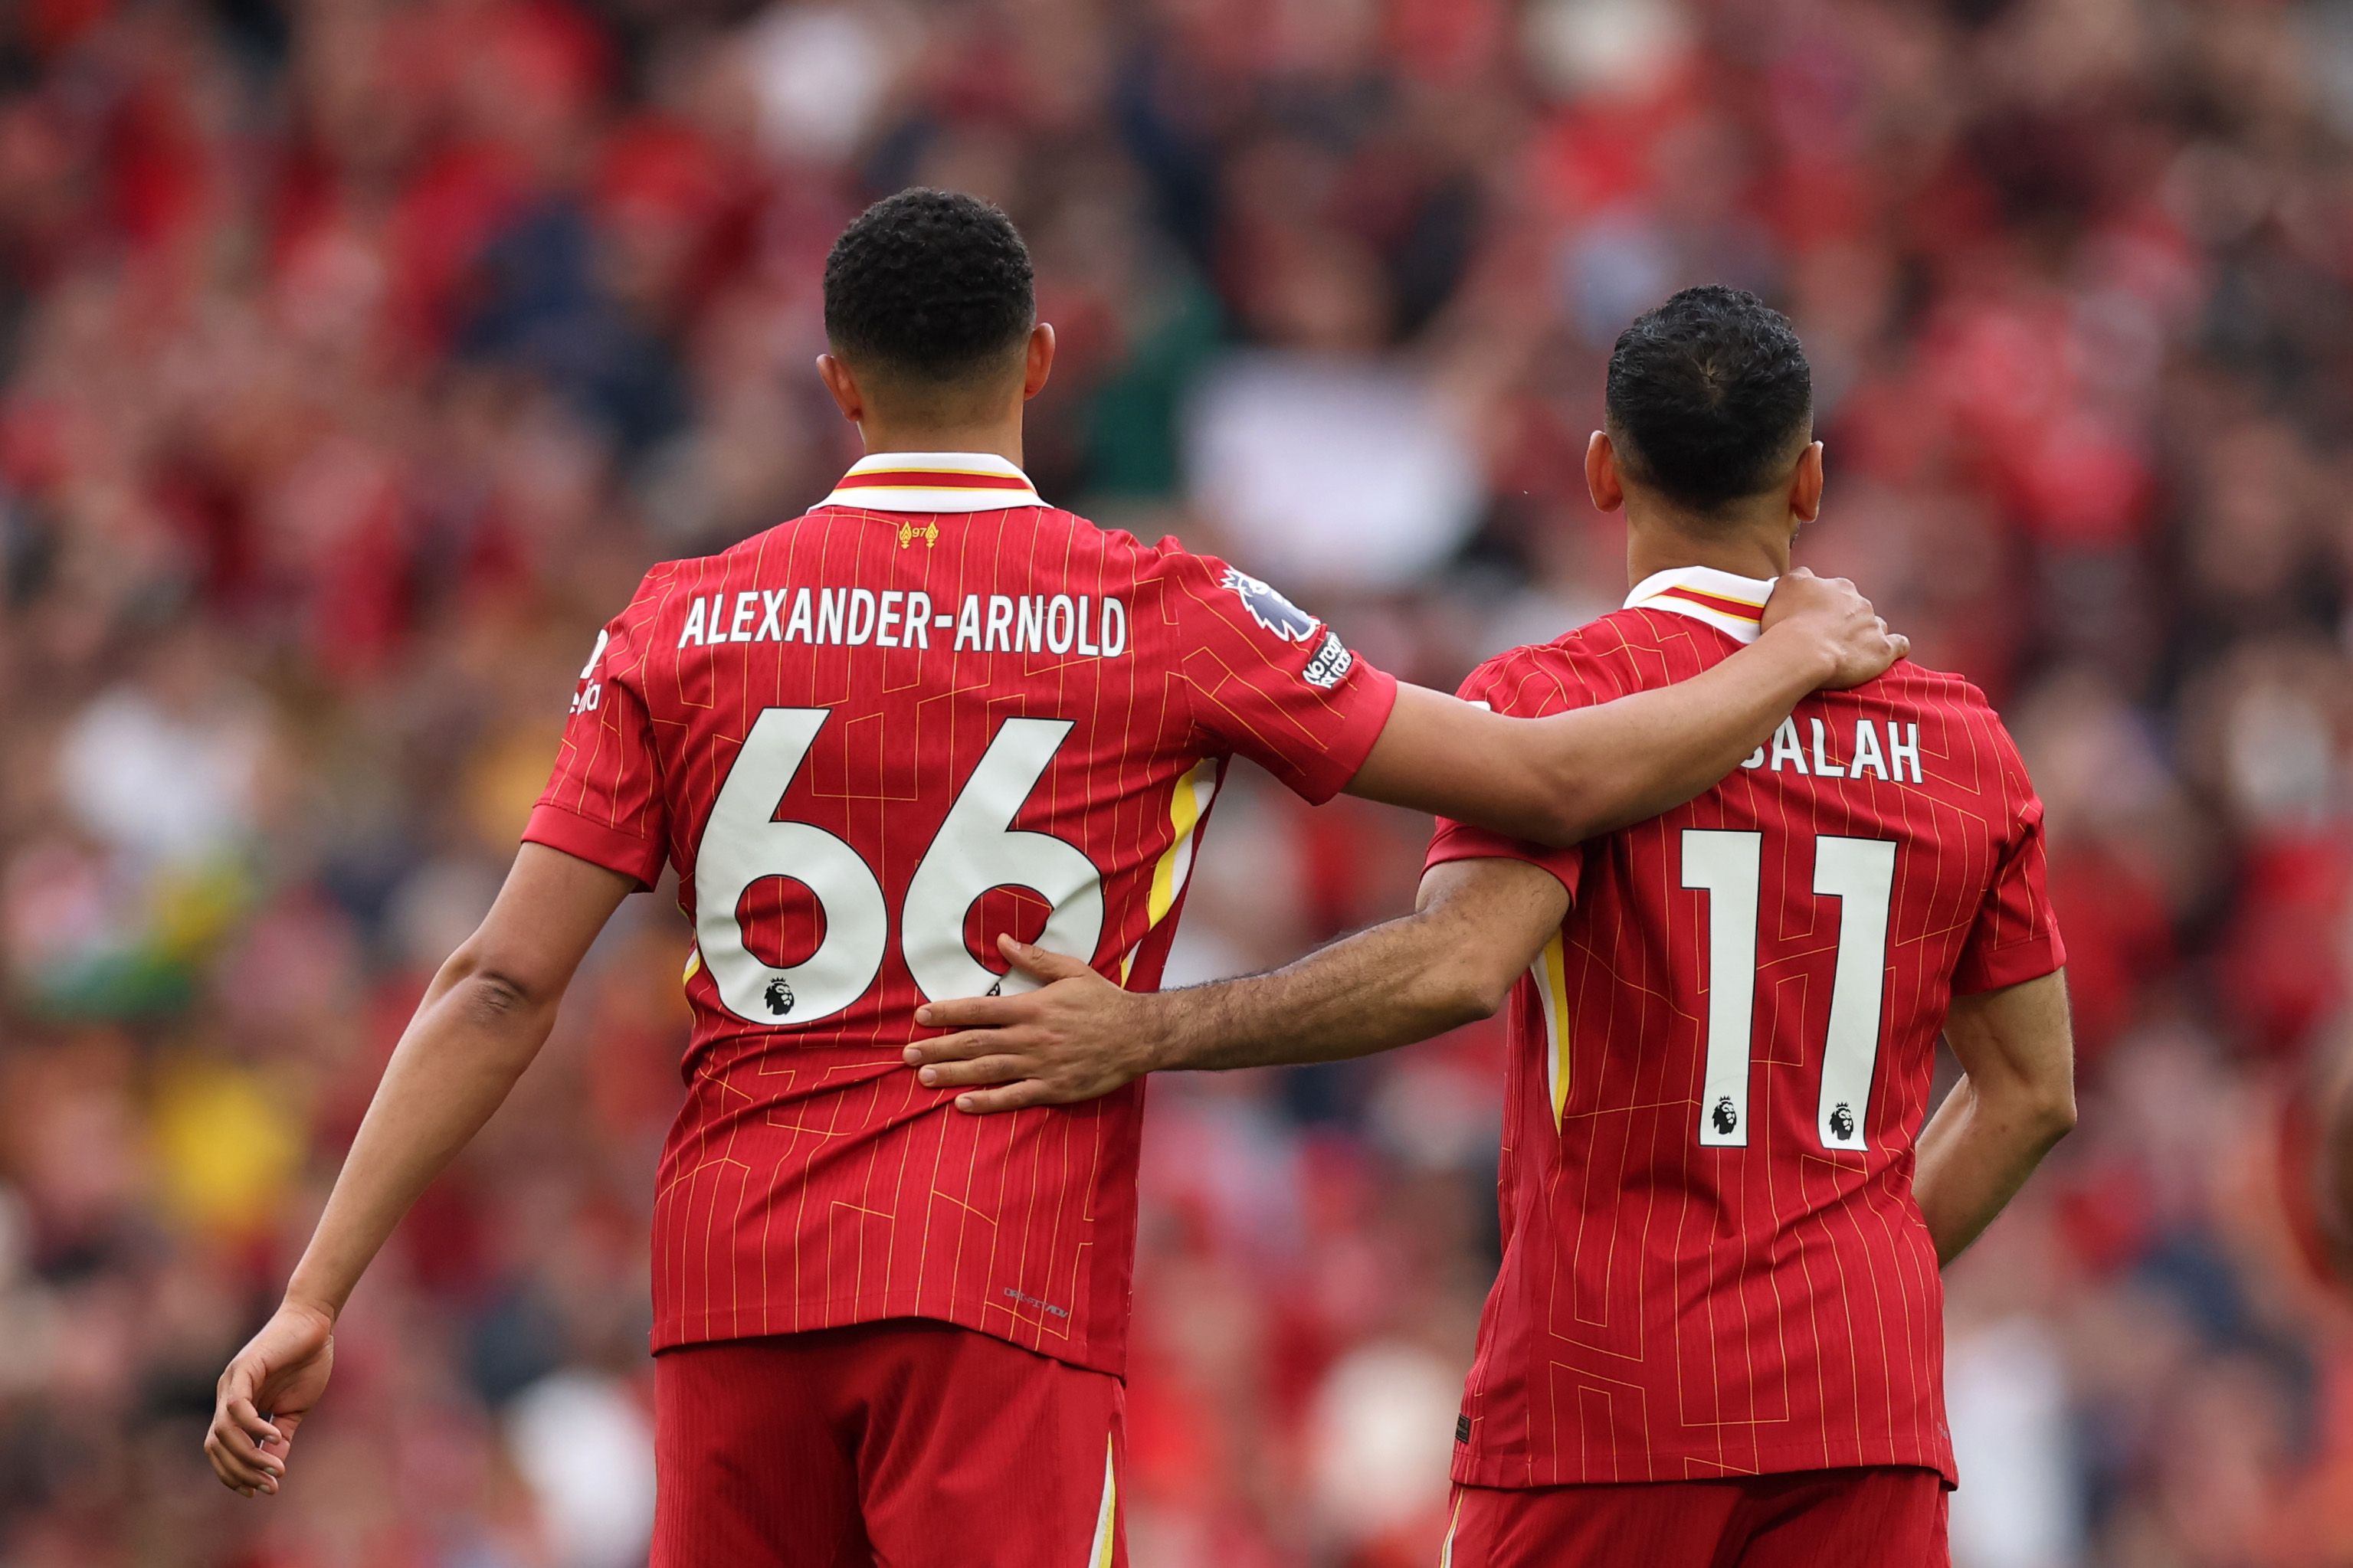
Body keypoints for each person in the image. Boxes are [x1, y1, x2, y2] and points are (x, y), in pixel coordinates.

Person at [202, 198, 1904, 1566]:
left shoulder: (683, 616)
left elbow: (501, 981)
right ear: (1039, 361)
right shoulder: (1160, 605)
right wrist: (1785, 654)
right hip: (992, 1277)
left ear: (839, 382)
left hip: (732, 1284)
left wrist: (315, 1289)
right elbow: (1549, 776)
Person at [907, 286, 2075, 1566]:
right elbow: (2030, 1094)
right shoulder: (1965, 745)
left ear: (1599, 473)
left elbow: (1458, 966)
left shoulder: (1555, 703)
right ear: (1807, 483)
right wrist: (1861, 1276)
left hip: (1607, 1390)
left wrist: (1151, 1029)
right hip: (1864, 1400)